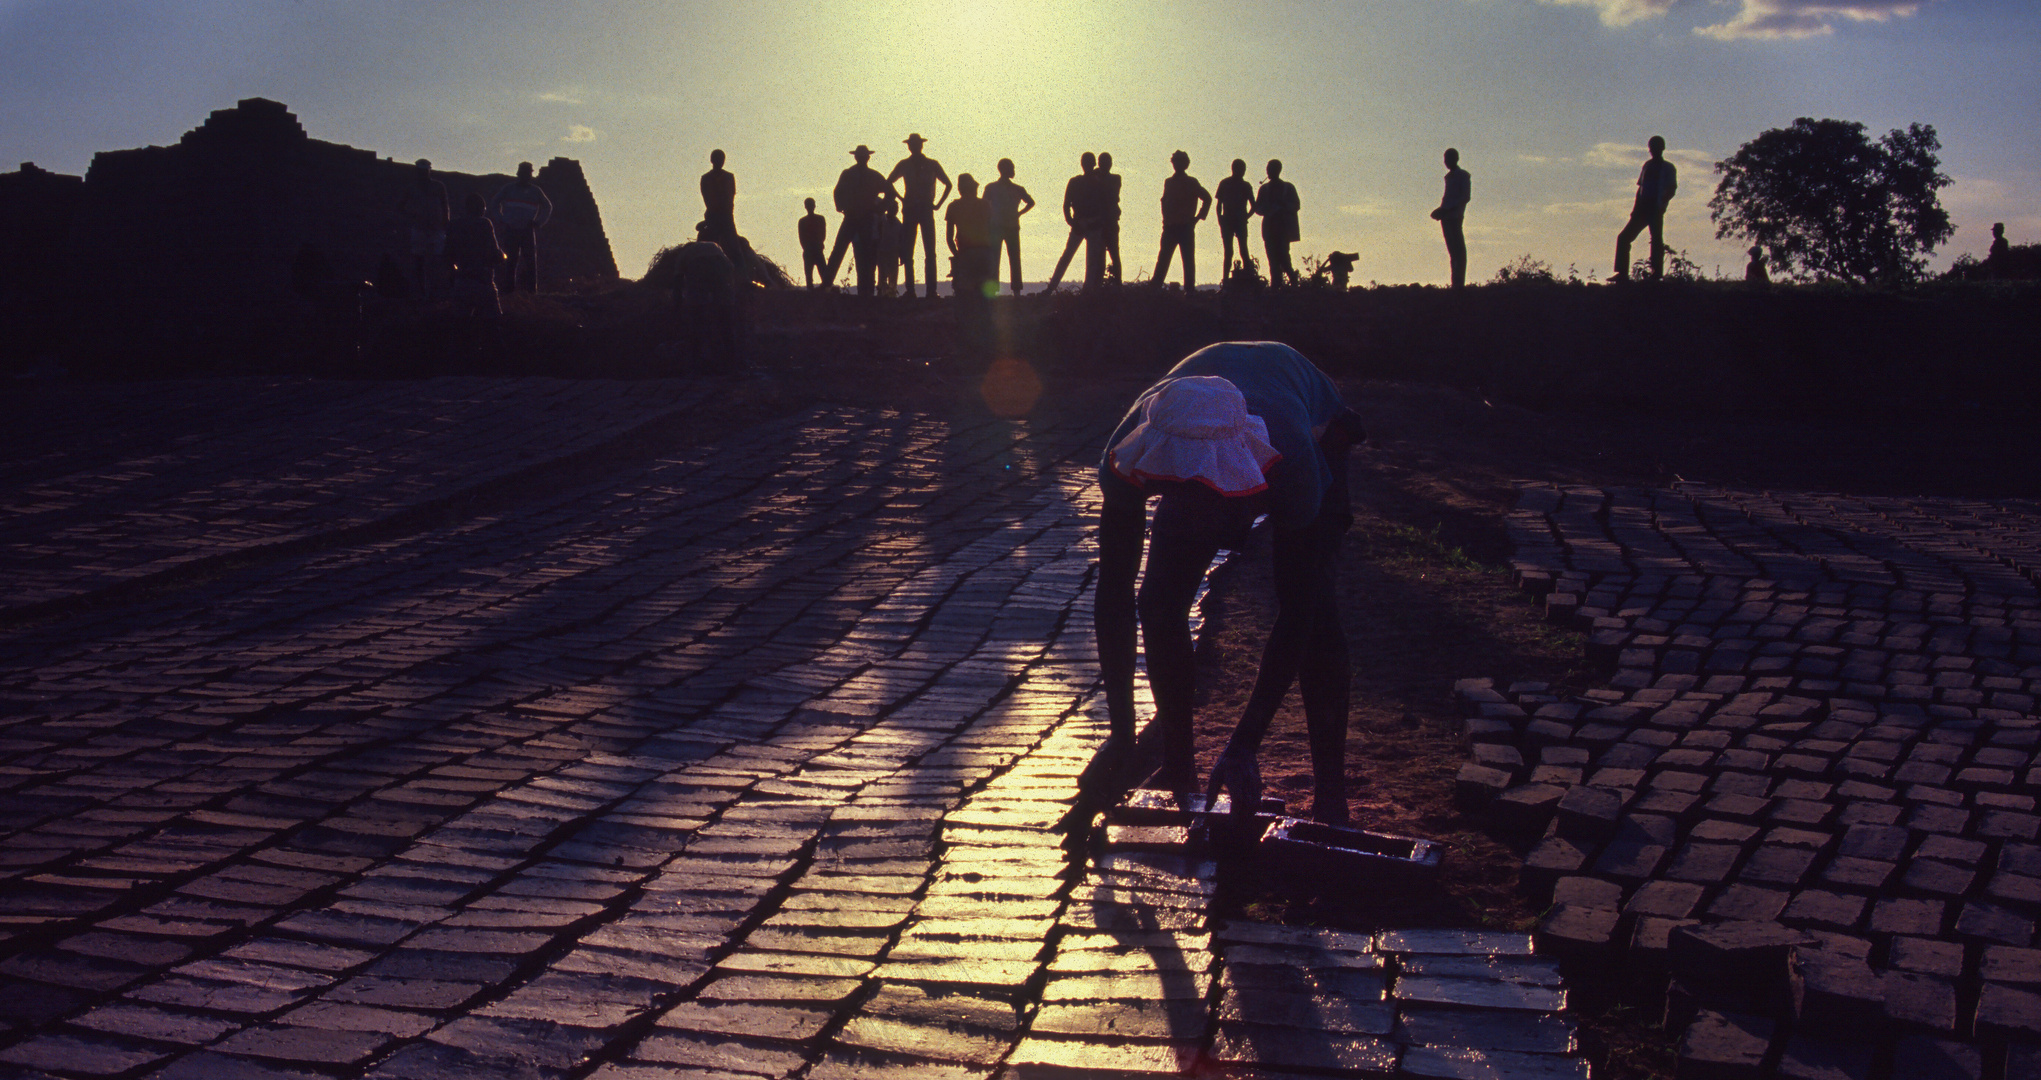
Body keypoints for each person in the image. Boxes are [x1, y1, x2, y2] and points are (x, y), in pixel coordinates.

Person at [1095, 342, 1365, 824]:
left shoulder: (1295, 465)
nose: (1194, 512)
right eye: (1182, 493)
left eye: (1210, 496)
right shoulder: (1124, 459)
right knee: (1159, 604)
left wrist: (1245, 744)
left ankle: (1331, 792)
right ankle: (1178, 765)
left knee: (1319, 617)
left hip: (1311, 419)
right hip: (1235, 398)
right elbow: (1115, 600)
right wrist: (1121, 733)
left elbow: (1297, 612)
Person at [887, 134, 952, 299]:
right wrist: (936, 203)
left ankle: (919, 290)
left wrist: (936, 204)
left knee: (919, 251)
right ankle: (924, 291)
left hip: (917, 209)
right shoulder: (927, 164)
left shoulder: (920, 164)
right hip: (918, 209)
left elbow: (888, 182)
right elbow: (948, 184)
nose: (913, 147)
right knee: (922, 251)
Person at [672, 226, 742, 371]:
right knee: (724, 320)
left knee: (697, 319)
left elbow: (677, 278)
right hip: (719, 273)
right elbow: (730, 269)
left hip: (698, 276)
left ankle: (696, 360)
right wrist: (730, 297)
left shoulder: (687, 251)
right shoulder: (716, 248)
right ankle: (732, 359)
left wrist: (677, 302)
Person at [825, 145, 891, 296]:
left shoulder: (855, 174)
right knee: (853, 252)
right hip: (856, 217)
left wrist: (879, 209)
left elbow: (890, 192)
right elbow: (838, 192)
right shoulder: (860, 175)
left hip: (861, 218)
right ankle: (861, 288)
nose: (861, 158)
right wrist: (841, 207)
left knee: (856, 252)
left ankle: (862, 288)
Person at [1613, 136, 1677, 282]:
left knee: (1656, 240)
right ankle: (1622, 273)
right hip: (1642, 208)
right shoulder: (1647, 165)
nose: (1652, 150)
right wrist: (1635, 209)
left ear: (1662, 148)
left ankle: (1656, 274)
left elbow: (1672, 189)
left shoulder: (1668, 167)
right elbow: (1640, 188)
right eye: (1651, 147)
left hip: (1655, 208)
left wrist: (1661, 204)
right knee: (1624, 238)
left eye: (1655, 146)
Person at [489, 162, 553, 294]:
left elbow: (548, 206)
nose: (526, 176)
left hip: (527, 230)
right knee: (511, 261)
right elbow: (494, 203)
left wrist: (538, 222)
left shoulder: (536, 191)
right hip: (511, 229)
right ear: (519, 174)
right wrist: (502, 219)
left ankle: (531, 292)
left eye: (528, 173)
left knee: (530, 262)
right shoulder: (508, 188)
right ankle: (509, 291)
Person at [1152, 150, 1212, 290]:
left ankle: (1189, 290)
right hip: (1170, 227)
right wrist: (1165, 220)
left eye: (1180, 161)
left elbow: (1207, 199)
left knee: (1188, 261)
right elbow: (1164, 201)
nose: (1177, 164)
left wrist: (1197, 219)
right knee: (1163, 259)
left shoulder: (1191, 182)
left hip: (1185, 227)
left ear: (1186, 164)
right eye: (1175, 161)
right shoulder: (1169, 182)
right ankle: (1154, 287)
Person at [1044, 152, 1102, 292]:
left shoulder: (1081, 182)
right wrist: (1072, 222)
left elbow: (1066, 205)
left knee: (1073, 258)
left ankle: (1053, 287)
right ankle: (1086, 290)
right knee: (1086, 259)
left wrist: (1072, 222)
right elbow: (1067, 204)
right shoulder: (1095, 182)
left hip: (1085, 223)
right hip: (1085, 224)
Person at [445, 192, 504, 316]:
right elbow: (494, 253)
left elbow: (447, 254)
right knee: (494, 321)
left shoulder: (453, 225)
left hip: (460, 282)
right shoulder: (484, 224)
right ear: (481, 209)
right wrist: (501, 257)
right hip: (483, 282)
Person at [397, 159, 449, 300]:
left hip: (436, 229)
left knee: (436, 261)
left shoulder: (438, 187)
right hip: (420, 229)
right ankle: (421, 291)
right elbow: (400, 206)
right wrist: (412, 215)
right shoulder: (412, 188)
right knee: (419, 261)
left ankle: (435, 292)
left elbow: (445, 207)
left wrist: (446, 224)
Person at [983, 158, 1036, 295]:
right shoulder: (1013, 189)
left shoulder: (994, 188)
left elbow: (1031, 202)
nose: (1013, 170)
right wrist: (1019, 214)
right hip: (1003, 227)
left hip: (1002, 227)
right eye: (1011, 168)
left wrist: (1018, 214)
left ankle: (1003, 290)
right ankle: (1014, 290)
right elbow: (1030, 202)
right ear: (1004, 169)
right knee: (1007, 259)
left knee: (998, 259)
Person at [1430, 149, 1471, 289]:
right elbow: (1448, 198)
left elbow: (1464, 197)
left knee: (1458, 251)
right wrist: (1441, 211)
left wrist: (1446, 209)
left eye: (1448, 158)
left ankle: (1459, 283)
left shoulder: (1463, 176)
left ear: (1456, 158)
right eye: (1445, 158)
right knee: (1453, 252)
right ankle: (1456, 283)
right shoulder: (1449, 177)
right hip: (1446, 218)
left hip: (1455, 216)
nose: (1446, 162)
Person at [1257, 159, 1300, 287]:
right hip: (1270, 230)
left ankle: (1292, 282)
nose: (1268, 171)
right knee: (1272, 260)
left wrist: (1283, 206)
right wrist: (1269, 209)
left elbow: (1296, 205)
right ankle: (1277, 285)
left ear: (1278, 170)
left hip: (1283, 230)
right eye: (1268, 168)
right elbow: (1258, 208)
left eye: (1270, 169)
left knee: (1284, 258)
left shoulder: (1288, 188)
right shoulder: (1264, 189)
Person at [1214, 159, 1256, 283]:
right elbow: (1219, 204)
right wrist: (1220, 218)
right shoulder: (1225, 183)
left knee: (1243, 249)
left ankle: (1248, 278)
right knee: (1229, 251)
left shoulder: (1245, 186)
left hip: (1237, 221)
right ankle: (1226, 279)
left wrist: (1245, 218)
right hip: (1228, 221)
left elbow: (1254, 206)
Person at [1096, 152, 1124, 282]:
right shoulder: (1099, 178)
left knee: (1114, 255)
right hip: (1100, 222)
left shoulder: (1115, 179)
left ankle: (1117, 283)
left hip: (1109, 222)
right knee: (1100, 256)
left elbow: (1109, 193)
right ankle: (1101, 283)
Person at [701, 149, 737, 239]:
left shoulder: (729, 177)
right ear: (712, 160)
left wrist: (727, 212)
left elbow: (731, 196)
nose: (720, 162)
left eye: (721, 159)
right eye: (717, 159)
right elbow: (706, 198)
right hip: (713, 216)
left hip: (727, 216)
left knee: (735, 245)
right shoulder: (706, 178)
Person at [875, 189, 904, 295]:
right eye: (893, 208)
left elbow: (901, 240)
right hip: (883, 252)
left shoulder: (898, 224)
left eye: (896, 208)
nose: (895, 210)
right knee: (882, 275)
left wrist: (901, 255)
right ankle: (881, 291)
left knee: (893, 276)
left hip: (894, 253)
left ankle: (891, 292)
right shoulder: (882, 221)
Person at [798, 197, 828, 289]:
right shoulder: (817, 219)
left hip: (814, 249)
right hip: (812, 249)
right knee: (811, 277)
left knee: (823, 275)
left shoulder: (818, 219)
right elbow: (802, 238)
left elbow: (822, 235)